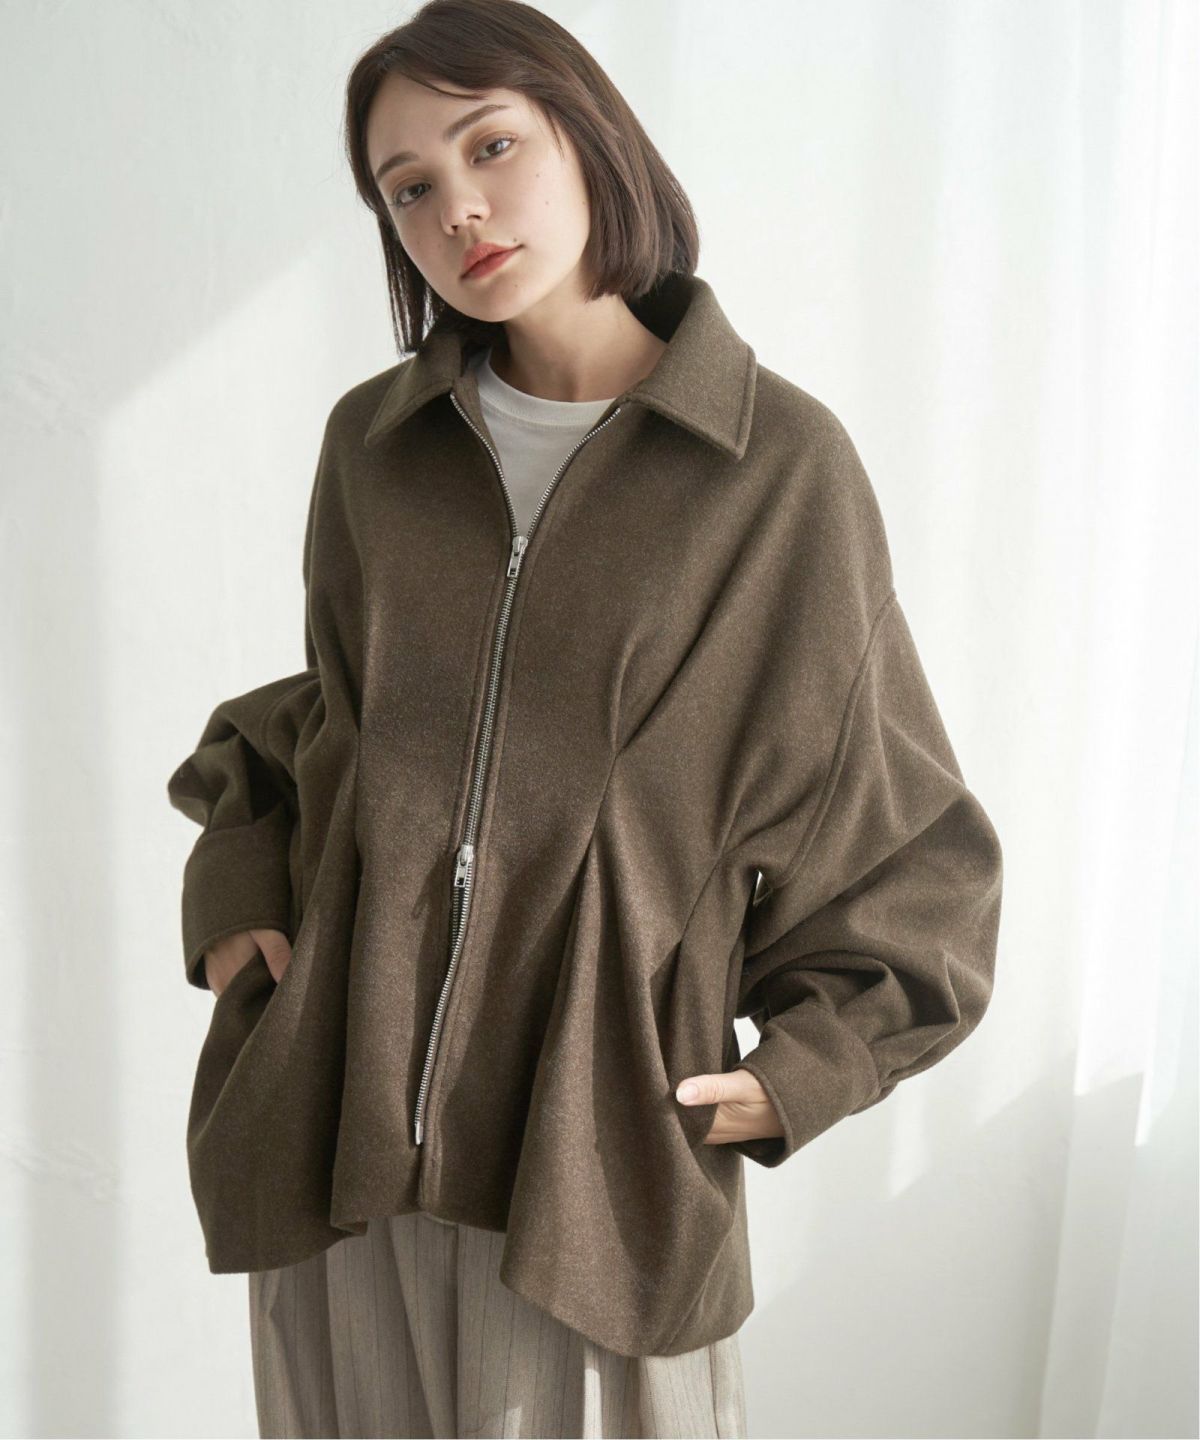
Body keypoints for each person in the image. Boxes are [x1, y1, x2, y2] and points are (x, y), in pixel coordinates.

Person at [166, 1, 1005, 1436]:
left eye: (490, 145)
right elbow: (323, 720)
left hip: (594, 1170)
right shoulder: (375, 448)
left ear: (591, 137)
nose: (456, 208)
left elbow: (906, 835)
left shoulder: (776, 469)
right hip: (335, 1135)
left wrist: (797, 1075)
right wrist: (241, 895)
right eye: (408, 187)